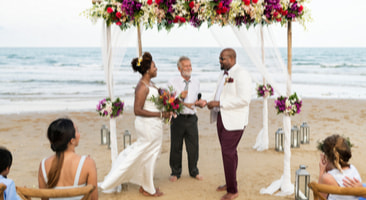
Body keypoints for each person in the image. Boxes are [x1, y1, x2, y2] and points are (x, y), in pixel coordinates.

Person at [100, 52, 171, 197]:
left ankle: (146, 185)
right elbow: (137, 110)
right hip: (147, 125)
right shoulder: (142, 87)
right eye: (154, 66)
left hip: (154, 124)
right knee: (146, 153)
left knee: (150, 154)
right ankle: (147, 189)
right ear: (146, 70)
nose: (156, 69)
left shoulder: (151, 84)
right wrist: (160, 114)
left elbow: (154, 101)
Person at [207, 48, 252, 200]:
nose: (220, 61)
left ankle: (233, 190)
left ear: (232, 59)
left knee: (228, 153)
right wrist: (208, 102)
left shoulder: (242, 74)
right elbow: (219, 93)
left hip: (235, 121)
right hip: (221, 117)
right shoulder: (223, 74)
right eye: (219, 58)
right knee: (230, 153)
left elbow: (244, 99)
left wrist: (219, 103)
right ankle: (230, 182)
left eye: (222, 58)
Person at [38, 118, 98, 200]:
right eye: (77, 131)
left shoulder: (43, 165)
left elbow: (44, 199)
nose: (79, 134)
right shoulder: (87, 163)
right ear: (72, 141)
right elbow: (94, 198)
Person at [167, 56, 207, 182]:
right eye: (185, 66)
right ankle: (175, 172)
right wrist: (179, 96)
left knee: (193, 146)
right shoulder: (172, 82)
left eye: (190, 65)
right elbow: (169, 102)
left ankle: (194, 171)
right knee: (176, 146)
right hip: (177, 118)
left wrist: (199, 103)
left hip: (191, 118)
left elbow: (195, 100)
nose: (189, 68)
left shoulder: (196, 82)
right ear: (179, 68)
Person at [318, 134, 362, 200]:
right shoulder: (353, 169)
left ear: (327, 157)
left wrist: (322, 171)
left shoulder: (327, 178)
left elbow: (320, 198)